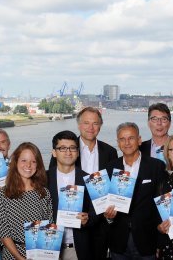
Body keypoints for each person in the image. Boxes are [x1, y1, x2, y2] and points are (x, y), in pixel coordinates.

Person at [49, 107, 118, 259]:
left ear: (100, 125)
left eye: (95, 123)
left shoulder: (110, 152)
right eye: (86, 123)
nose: (90, 128)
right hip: (67, 227)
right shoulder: (65, 150)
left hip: (99, 225)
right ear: (79, 125)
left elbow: (113, 188)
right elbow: (51, 188)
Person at [104, 122, 165, 259]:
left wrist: (161, 243)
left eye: (131, 138)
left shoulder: (156, 166)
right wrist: (108, 218)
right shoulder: (109, 168)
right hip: (118, 242)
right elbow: (104, 204)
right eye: (122, 139)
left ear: (139, 140)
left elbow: (162, 207)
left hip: (147, 241)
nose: (127, 143)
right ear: (118, 142)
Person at [0, 142, 53, 260]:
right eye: (24, 160)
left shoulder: (44, 193)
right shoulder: (3, 194)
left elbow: (50, 227)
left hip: (41, 254)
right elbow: (3, 232)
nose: (28, 165)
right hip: (13, 255)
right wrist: (20, 258)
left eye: (33, 161)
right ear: (16, 162)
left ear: (38, 165)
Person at [47, 130, 94, 260]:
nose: (68, 152)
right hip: (49, 249)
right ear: (54, 153)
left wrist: (88, 219)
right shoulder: (43, 179)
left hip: (78, 250)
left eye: (72, 148)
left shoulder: (88, 179)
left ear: (78, 152)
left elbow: (96, 213)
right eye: (62, 148)